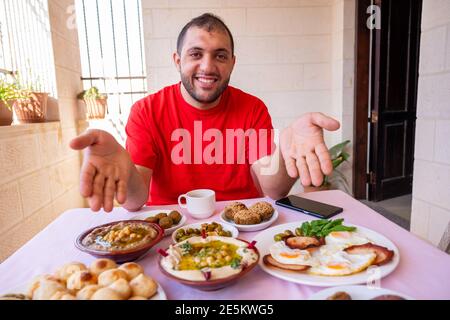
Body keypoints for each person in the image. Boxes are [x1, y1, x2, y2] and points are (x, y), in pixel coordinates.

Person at [70, 13, 340, 213]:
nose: (207, 67)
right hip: (172, 229)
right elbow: (135, 199)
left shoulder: (252, 108)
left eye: (220, 56)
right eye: (196, 54)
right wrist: (125, 168)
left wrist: (285, 150)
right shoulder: (146, 111)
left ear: (232, 63)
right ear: (178, 60)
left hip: (243, 225)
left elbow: (272, 188)